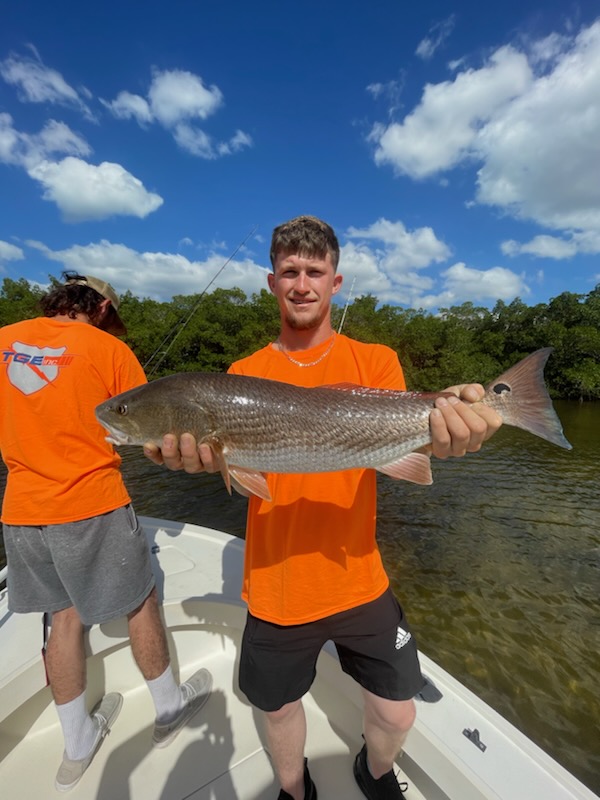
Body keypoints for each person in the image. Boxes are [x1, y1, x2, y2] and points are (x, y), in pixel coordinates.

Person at [146, 216, 502, 799]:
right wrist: (207, 461)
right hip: (276, 585)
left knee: (397, 713)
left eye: (315, 271)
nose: (303, 283)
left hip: (359, 576)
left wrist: (454, 419)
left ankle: (375, 772)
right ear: (271, 282)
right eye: (290, 271)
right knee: (280, 709)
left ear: (336, 282)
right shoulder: (240, 375)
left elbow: (412, 428)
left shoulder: (376, 359)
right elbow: (244, 474)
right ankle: (294, 789)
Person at [0, 272, 212, 793]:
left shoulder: (4, 340)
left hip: (20, 511)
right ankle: (168, 708)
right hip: (93, 502)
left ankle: (77, 746)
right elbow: (153, 437)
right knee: (141, 602)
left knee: (62, 620)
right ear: (100, 308)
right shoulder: (107, 349)